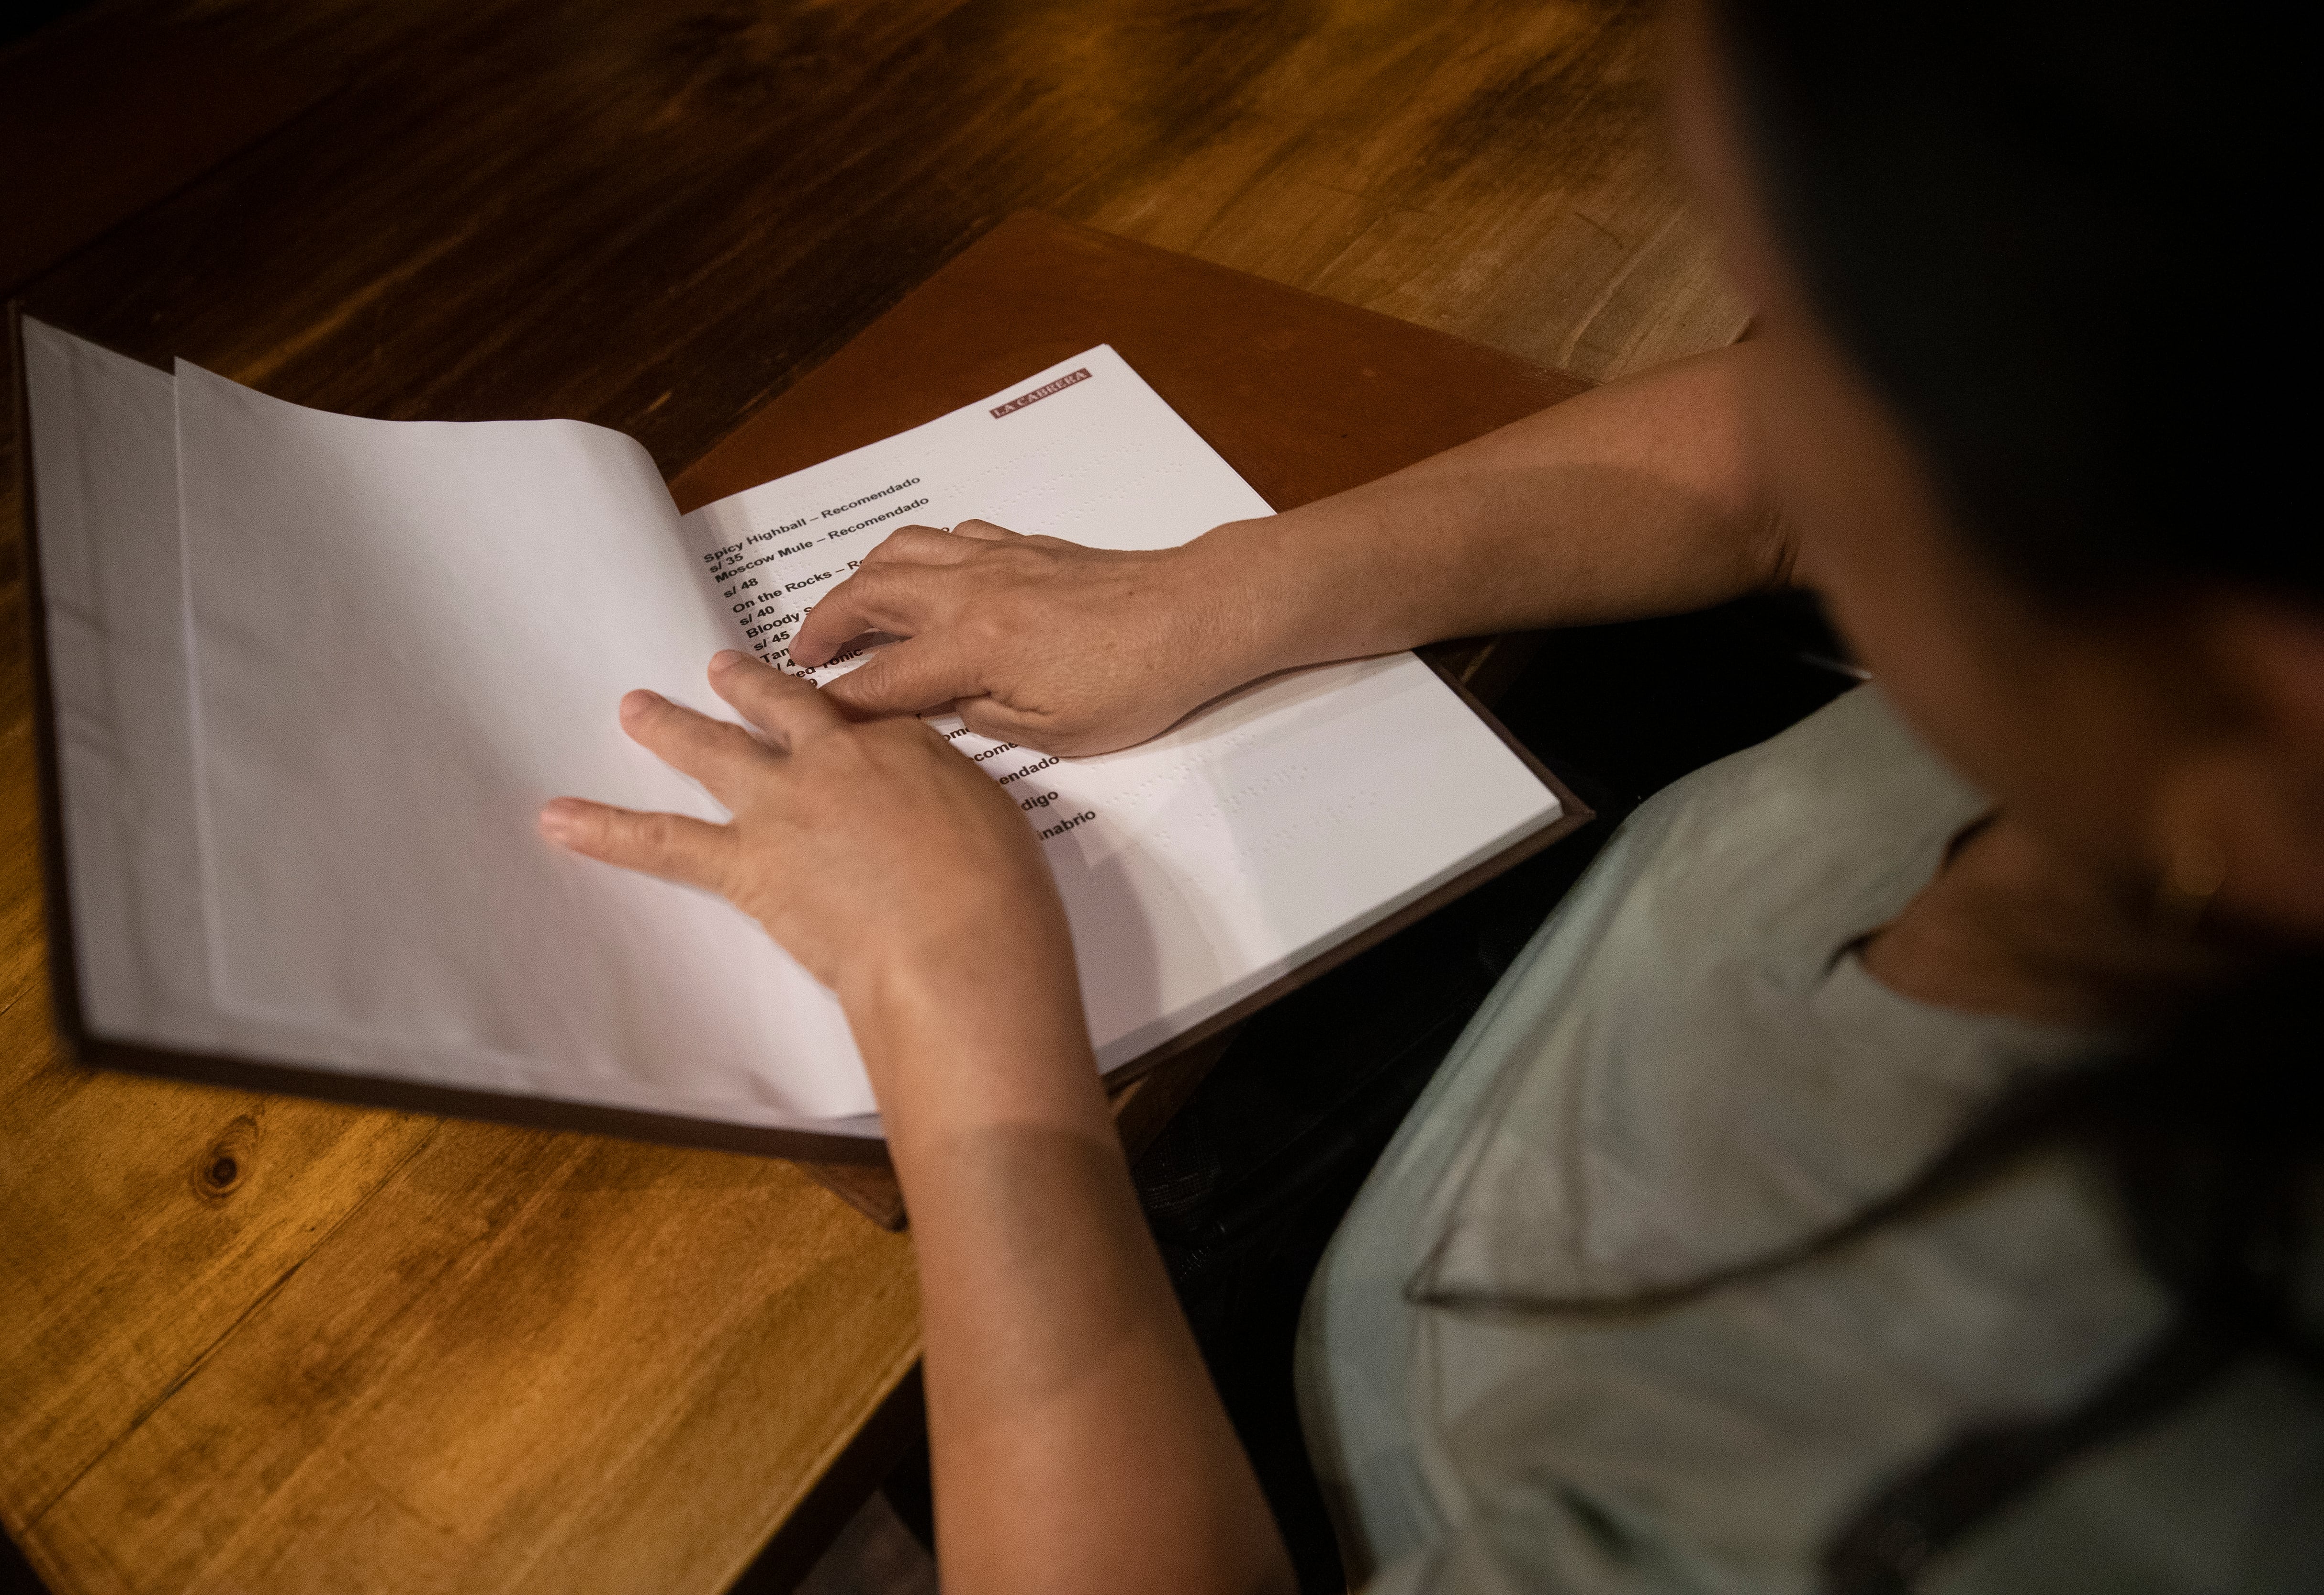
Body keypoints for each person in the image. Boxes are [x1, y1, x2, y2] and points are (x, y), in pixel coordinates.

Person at [538, 1, 2323, 1589]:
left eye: (1839, 337)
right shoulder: (2186, 724)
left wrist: (961, 1005)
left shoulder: (2019, 1473)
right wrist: (1218, 589)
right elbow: (1753, 455)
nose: (1767, 392)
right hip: (1521, 1048)